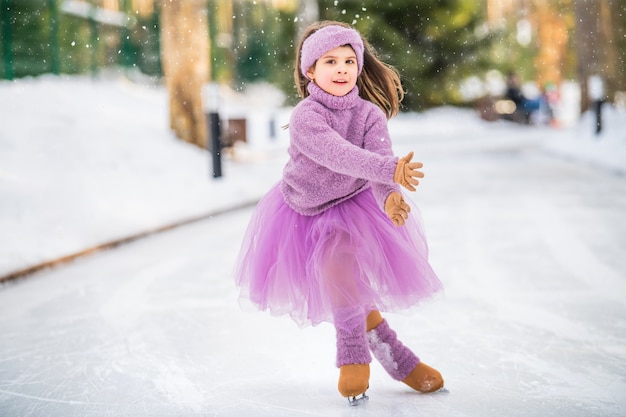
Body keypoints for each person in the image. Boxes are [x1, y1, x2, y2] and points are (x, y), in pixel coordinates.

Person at [234, 21, 444, 405]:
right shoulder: (306, 116)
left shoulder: (369, 116)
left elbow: (378, 162)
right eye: (330, 61)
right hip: (303, 210)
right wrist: (387, 169)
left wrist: (390, 196)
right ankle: (399, 360)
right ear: (310, 70)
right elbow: (337, 154)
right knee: (346, 285)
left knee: (338, 267)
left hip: (353, 207)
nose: (342, 68)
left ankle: (354, 356)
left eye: (349, 60)